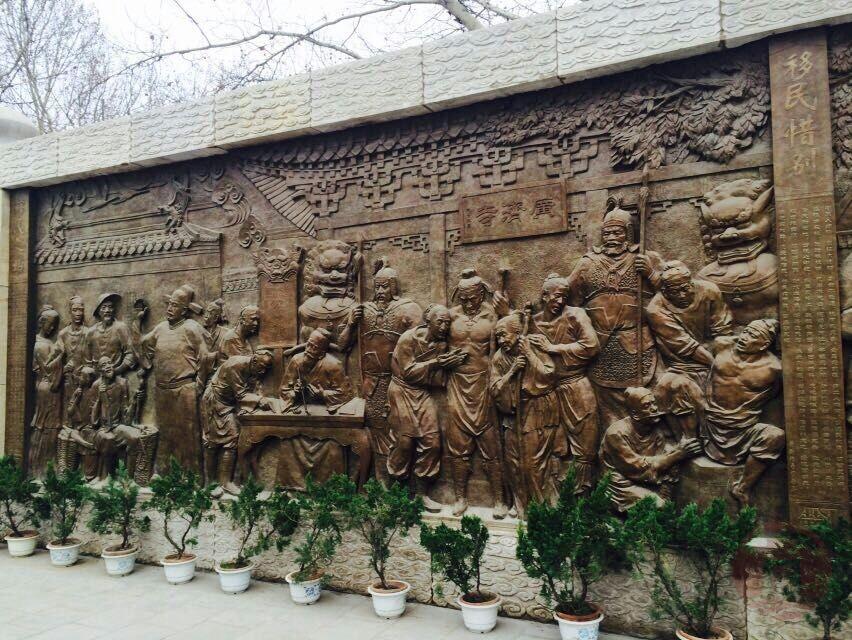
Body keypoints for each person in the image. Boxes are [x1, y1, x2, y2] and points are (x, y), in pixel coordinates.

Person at [565, 201, 665, 423]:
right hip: (602, 349)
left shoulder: (645, 258)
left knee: (656, 396)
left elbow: (673, 295)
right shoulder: (588, 263)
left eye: (617, 233)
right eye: (607, 233)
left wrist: (652, 274)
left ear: (628, 233)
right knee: (608, 413)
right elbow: (567, 298)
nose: (611, 238)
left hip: (640, 345)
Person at [339, 260, 422, 486]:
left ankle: (401, 482)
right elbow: (342, 345)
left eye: (385, 286)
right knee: (377, 432)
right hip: (373, 384)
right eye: (377, 287)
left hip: (400, 382)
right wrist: (350, 323)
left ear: (394, 287)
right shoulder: (363, 310)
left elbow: (422, 343)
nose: (381, 291)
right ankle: (382, 484)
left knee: (403, 433)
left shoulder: (408, 308)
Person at [387, 304, 467, 513]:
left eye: (447, 323)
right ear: (427, 321)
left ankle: (421, 494)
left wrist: (447, 364)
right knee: (405, 443)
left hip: (422, 393)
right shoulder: (408, 339)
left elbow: (436, 380)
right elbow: (408, 373)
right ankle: (396, 491)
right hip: (401, 390)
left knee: (432, 443)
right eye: (439, 322)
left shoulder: (441, 345)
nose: (444, 327)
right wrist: (437, 363)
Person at [529, 273, 600, 493]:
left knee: (585, 448)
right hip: (547, 394)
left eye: (564, 297)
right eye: (556, 296)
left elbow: (591, 346)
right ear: (544, 296)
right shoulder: (532, 322)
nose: (560, 301)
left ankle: (582, 498)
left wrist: (553, 348)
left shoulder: (575, 315)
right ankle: (553, 498)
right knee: (552, 448)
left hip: (576, 387)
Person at [447, 268, 509, 518]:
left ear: (481, 294)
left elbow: (510, 340)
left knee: (490, 444)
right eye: (463, 299)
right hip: (457, 385)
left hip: (484, 384)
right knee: (458, 445)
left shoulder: (493, 314)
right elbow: (436, 345)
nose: (468, 303)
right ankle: (460, 497)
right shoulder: (451, 316)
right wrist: (447, 359)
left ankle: (499, 500)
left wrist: (507, 313)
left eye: (472, 298)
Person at [646, 260, 733, 439]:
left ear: (691, 283)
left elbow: (722, 329)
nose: (682, 294)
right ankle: (690, 439)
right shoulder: (656, 308)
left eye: (685, 288)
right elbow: (684, 345)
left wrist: (724, 360)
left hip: (717, 352)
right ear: (665, 291)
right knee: (670, 389)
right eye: (675, 291)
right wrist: (716, 366)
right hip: (683, 364)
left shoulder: (709, 291)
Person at [703, 319, 785, 506]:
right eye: (746, 331)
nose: (744, 337)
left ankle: (742, 488)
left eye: (752, 335)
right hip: (707, 420)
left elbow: (774, 396)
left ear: (764, 345)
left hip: (744, 428)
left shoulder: (774, 369)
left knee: (775, 436)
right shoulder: (721, 346)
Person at [490, 312, 560, 514]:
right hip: (512, 414)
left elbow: (549, 375)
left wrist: (529, 353)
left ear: (517, 333)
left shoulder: (533, 345)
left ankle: (541, 507)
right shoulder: (499, 358)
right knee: (513, 461)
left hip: (538, 411)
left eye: (504, 335)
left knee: (532, 463)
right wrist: (511, 372)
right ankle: (520, 503)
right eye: (498, 337)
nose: (501, 340)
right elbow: (494, 389)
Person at [140, 284, 210, 472]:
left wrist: (199, 385)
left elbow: (206, 357)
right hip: (162, 391)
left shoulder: (192, 328)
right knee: (164, 434)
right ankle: (163, 475)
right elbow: (143, 344)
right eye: (169, 304)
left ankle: (192, 478)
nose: (170, 309)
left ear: (184, 311)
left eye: (175, 305)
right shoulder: (160, 328)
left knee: (188, 435)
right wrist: (137, 323)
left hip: (185, 390)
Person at [599, 387, 702, 512]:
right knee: (660, 506)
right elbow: (637, 467)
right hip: (621, 484)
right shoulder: (616, 434)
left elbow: (662, 456)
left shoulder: (655, 430)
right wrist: (678, 454)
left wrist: (680, 449)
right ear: (635, 414)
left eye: (654, 403)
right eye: (647, 406)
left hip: (648, 481)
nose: (654, 408)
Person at [201, 349, 276, 496]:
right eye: (262, 367)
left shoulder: (253, 369)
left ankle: (224, 482)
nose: (263, 372)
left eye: (266, 369)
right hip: (215, 403)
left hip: (227, 404)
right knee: (213, 443)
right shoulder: (235, 366)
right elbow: (241, 395)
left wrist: (260, 398)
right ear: (254, 360)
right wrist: (261, 401)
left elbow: (254, 388)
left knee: (230, 441)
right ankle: (211, 484)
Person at [90, 356, 152, 481]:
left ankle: (129, 479)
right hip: (103, 428)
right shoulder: (96, 386)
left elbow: (126, 414)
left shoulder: (122, 383)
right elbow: (93, 421)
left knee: (135, 437)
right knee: (108, 439)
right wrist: (100, 397)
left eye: (109, 363)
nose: (108, 366)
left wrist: (134, 401)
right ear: (100, 370)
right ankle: (109, 478)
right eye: (104, 365)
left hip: (118, 426)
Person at [29, 305, 63, 475]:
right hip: (48, 389)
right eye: (51, 324)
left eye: (55, 325)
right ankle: (40, 467)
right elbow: (48, 369)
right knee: (45, 426)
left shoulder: (47, 342)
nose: (53, 328)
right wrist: (61, 355)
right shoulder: (40, 345)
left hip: (49, 388)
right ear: (42, 323)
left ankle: (47, 465)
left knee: (50, 427)